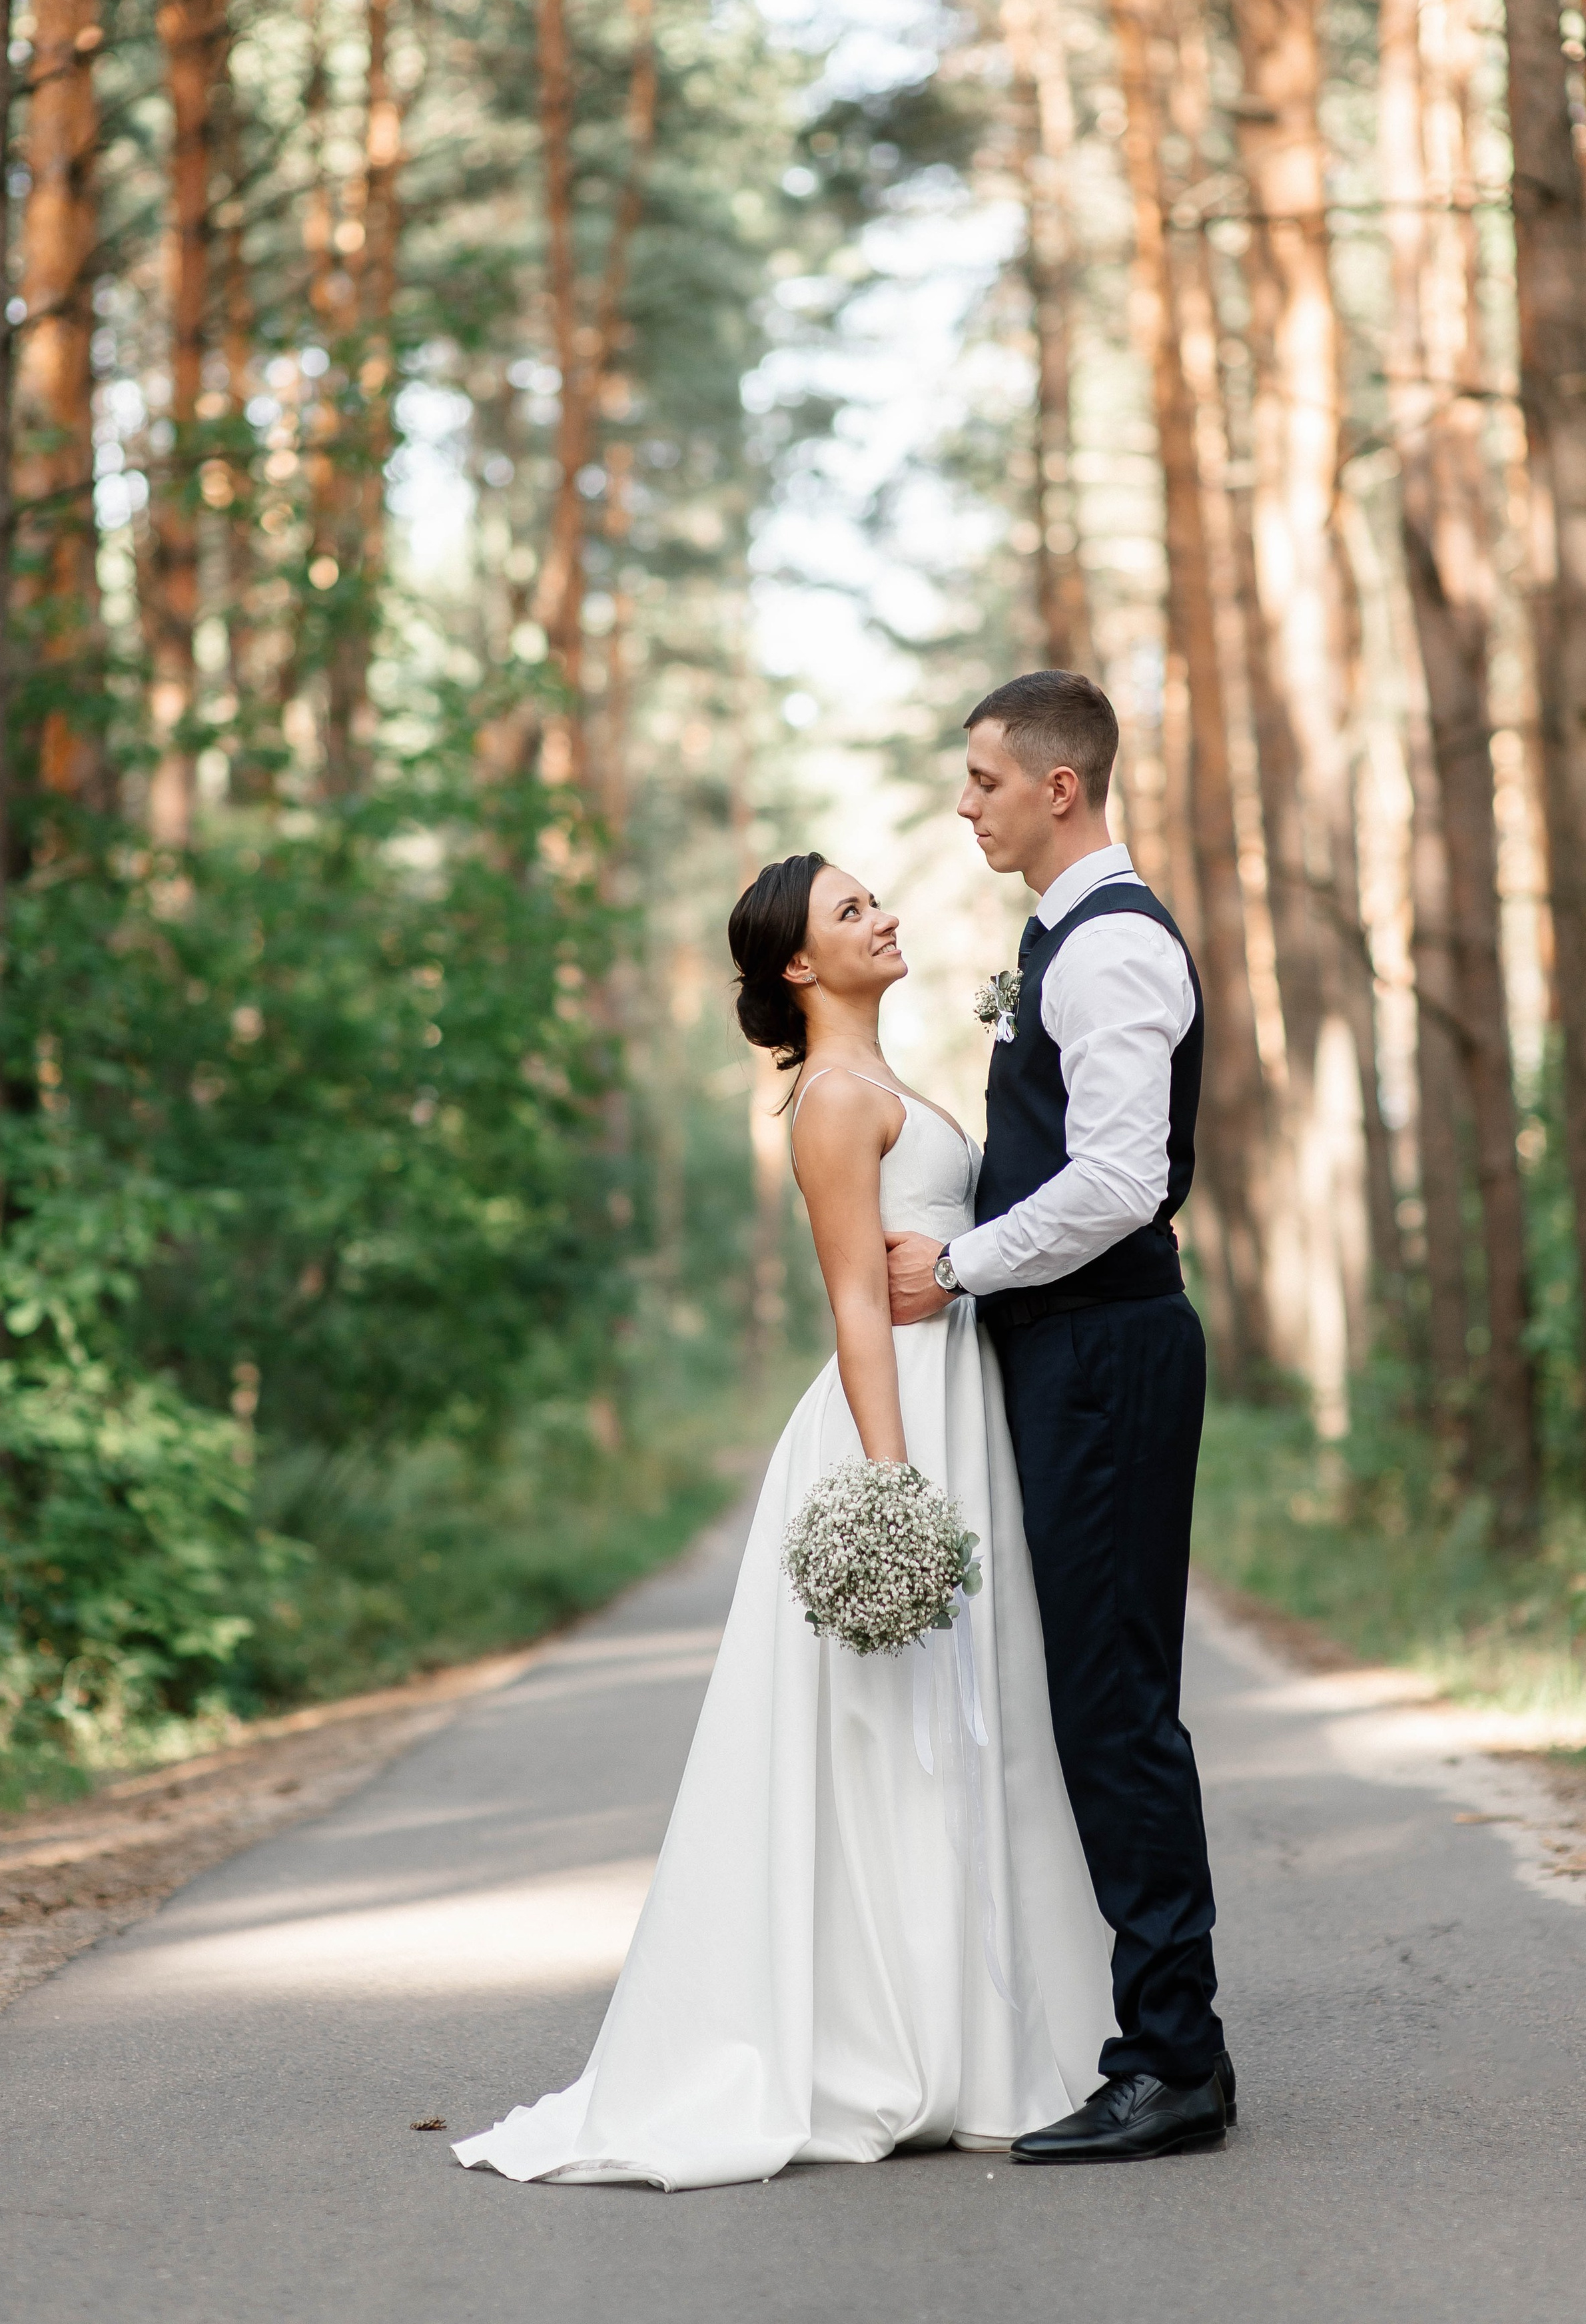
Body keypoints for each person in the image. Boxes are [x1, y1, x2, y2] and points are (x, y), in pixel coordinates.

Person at [453, 851, 1113, 2190]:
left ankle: (990, 2027)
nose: (883, 915)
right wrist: (892, 1485)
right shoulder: (833, 1102)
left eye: (874, 898)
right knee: (900, 1733)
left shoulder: (883, 1080)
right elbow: (854, 1302)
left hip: (953, 1398)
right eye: (850, 910)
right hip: (898, 1419)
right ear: (801, 965)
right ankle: (907, 2039)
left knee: (974, 1718)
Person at [885, 668, 1232, 2163]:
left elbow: (1119, 1181)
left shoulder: (1113, 950)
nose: (965, 804)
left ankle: (1174, 2061)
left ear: (1058, 787)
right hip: (1068, 1352)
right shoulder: (1060, 941)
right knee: (1089, 1693)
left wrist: (956, 1266)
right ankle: (1160, 2039)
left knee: (1113, 1703)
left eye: (982, 779)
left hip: (1104, 1353)